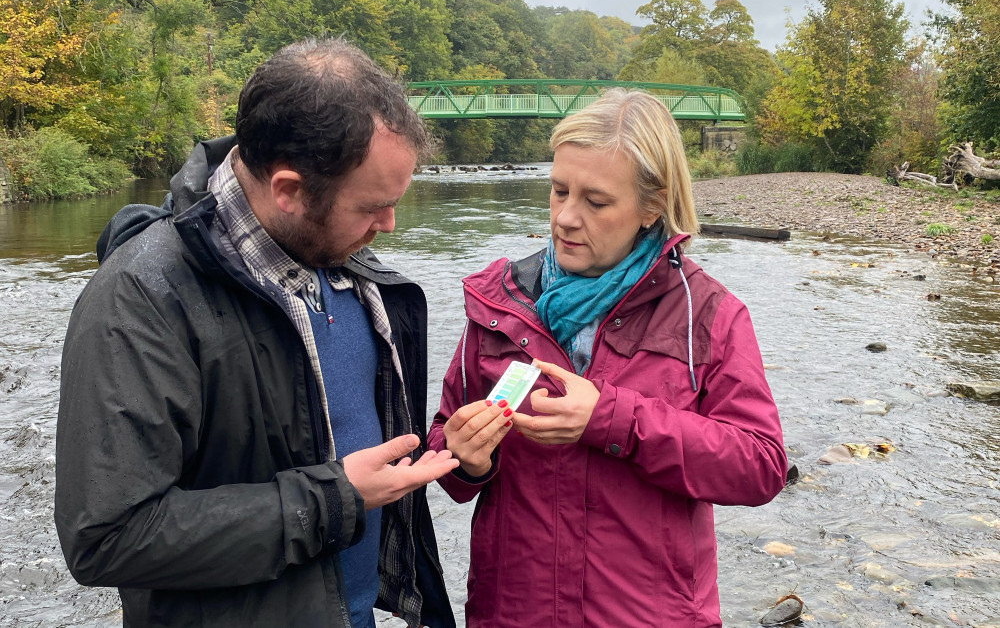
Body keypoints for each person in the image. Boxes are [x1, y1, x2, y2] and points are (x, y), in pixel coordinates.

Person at [54, 38, 459, 628]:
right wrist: (333, 499)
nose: (389, 226)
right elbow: (108, 536)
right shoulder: (139, 299)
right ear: (289, 190)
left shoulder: (351, 270)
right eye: (372, 206)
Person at [428, 88, 787, 627]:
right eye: (557, 191)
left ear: (651, 206)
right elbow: (444, 450)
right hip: (512, 614)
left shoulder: (708, 313)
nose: (566, 218)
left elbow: (760, 466)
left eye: (596, 202)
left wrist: (612, 419)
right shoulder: (498, 303)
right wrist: (466, 459)